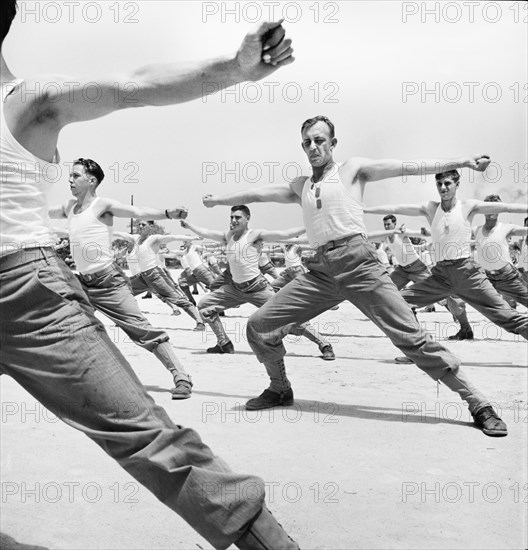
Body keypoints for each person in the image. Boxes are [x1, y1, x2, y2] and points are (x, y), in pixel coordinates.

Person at [0, 1, 299, 546]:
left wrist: (233, 68)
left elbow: (128, 84)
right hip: (57, 278)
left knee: (143, 434)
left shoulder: (25, 100)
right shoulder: (67, 208)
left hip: (27, 297)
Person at [201, 114, 508, 437]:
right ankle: (280, 389)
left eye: (320, 140)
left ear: (333, 143)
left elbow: (407, 166)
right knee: (259, 326)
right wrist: (219, 199)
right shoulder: (301, 185)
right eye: (307, 142)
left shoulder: (352, 170)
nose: (313, 146)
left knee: (411, 338)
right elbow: (259, 193)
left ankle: (478, 403)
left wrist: (463, 161)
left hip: (360, 266)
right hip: (320, 272)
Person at [49, 158, 194, 398]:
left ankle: (181, 376)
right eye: (70, 176)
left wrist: (167, 213)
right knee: (63, 324)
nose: (70, 180)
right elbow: (45, 212)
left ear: (91, 180)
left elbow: (136, 212)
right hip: (82, 284)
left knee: (140, 330)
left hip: (109, 282)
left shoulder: (101, 205)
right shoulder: (69, 207)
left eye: (75, 175)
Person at [364, 170, 528, 342]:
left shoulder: (468, 206)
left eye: (448, 183)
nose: (443, 187)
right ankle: (419, 347)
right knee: (397, 302)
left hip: (466, 274)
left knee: (507, 318)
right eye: (439, 184)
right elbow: (396, 208)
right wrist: (365, 210)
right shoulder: (430, 208)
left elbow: (507, 207)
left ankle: (471, 328)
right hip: (440, 276)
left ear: (457, 185)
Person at [181, 206, 335, 360]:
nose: (233, 220)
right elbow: (206, 233)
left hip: (257, 288)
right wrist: (189, 226)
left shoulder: (254, 235)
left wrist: (311, 225)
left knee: (289, 316)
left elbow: (284, 234)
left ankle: (324, 344)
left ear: (247, 218)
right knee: (204, 306)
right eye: (231, 217)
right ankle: (224, 343)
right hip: (235, 288)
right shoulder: (228, 236)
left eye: (238, 217)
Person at [472, 194, 528, 308]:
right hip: (486, 277)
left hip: (506, 275)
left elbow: (525, 231)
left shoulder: (507, 228)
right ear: (482, 210)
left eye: (495, 208)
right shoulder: (475, 230)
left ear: (500, 211)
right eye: (488, 207)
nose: (491, 211)